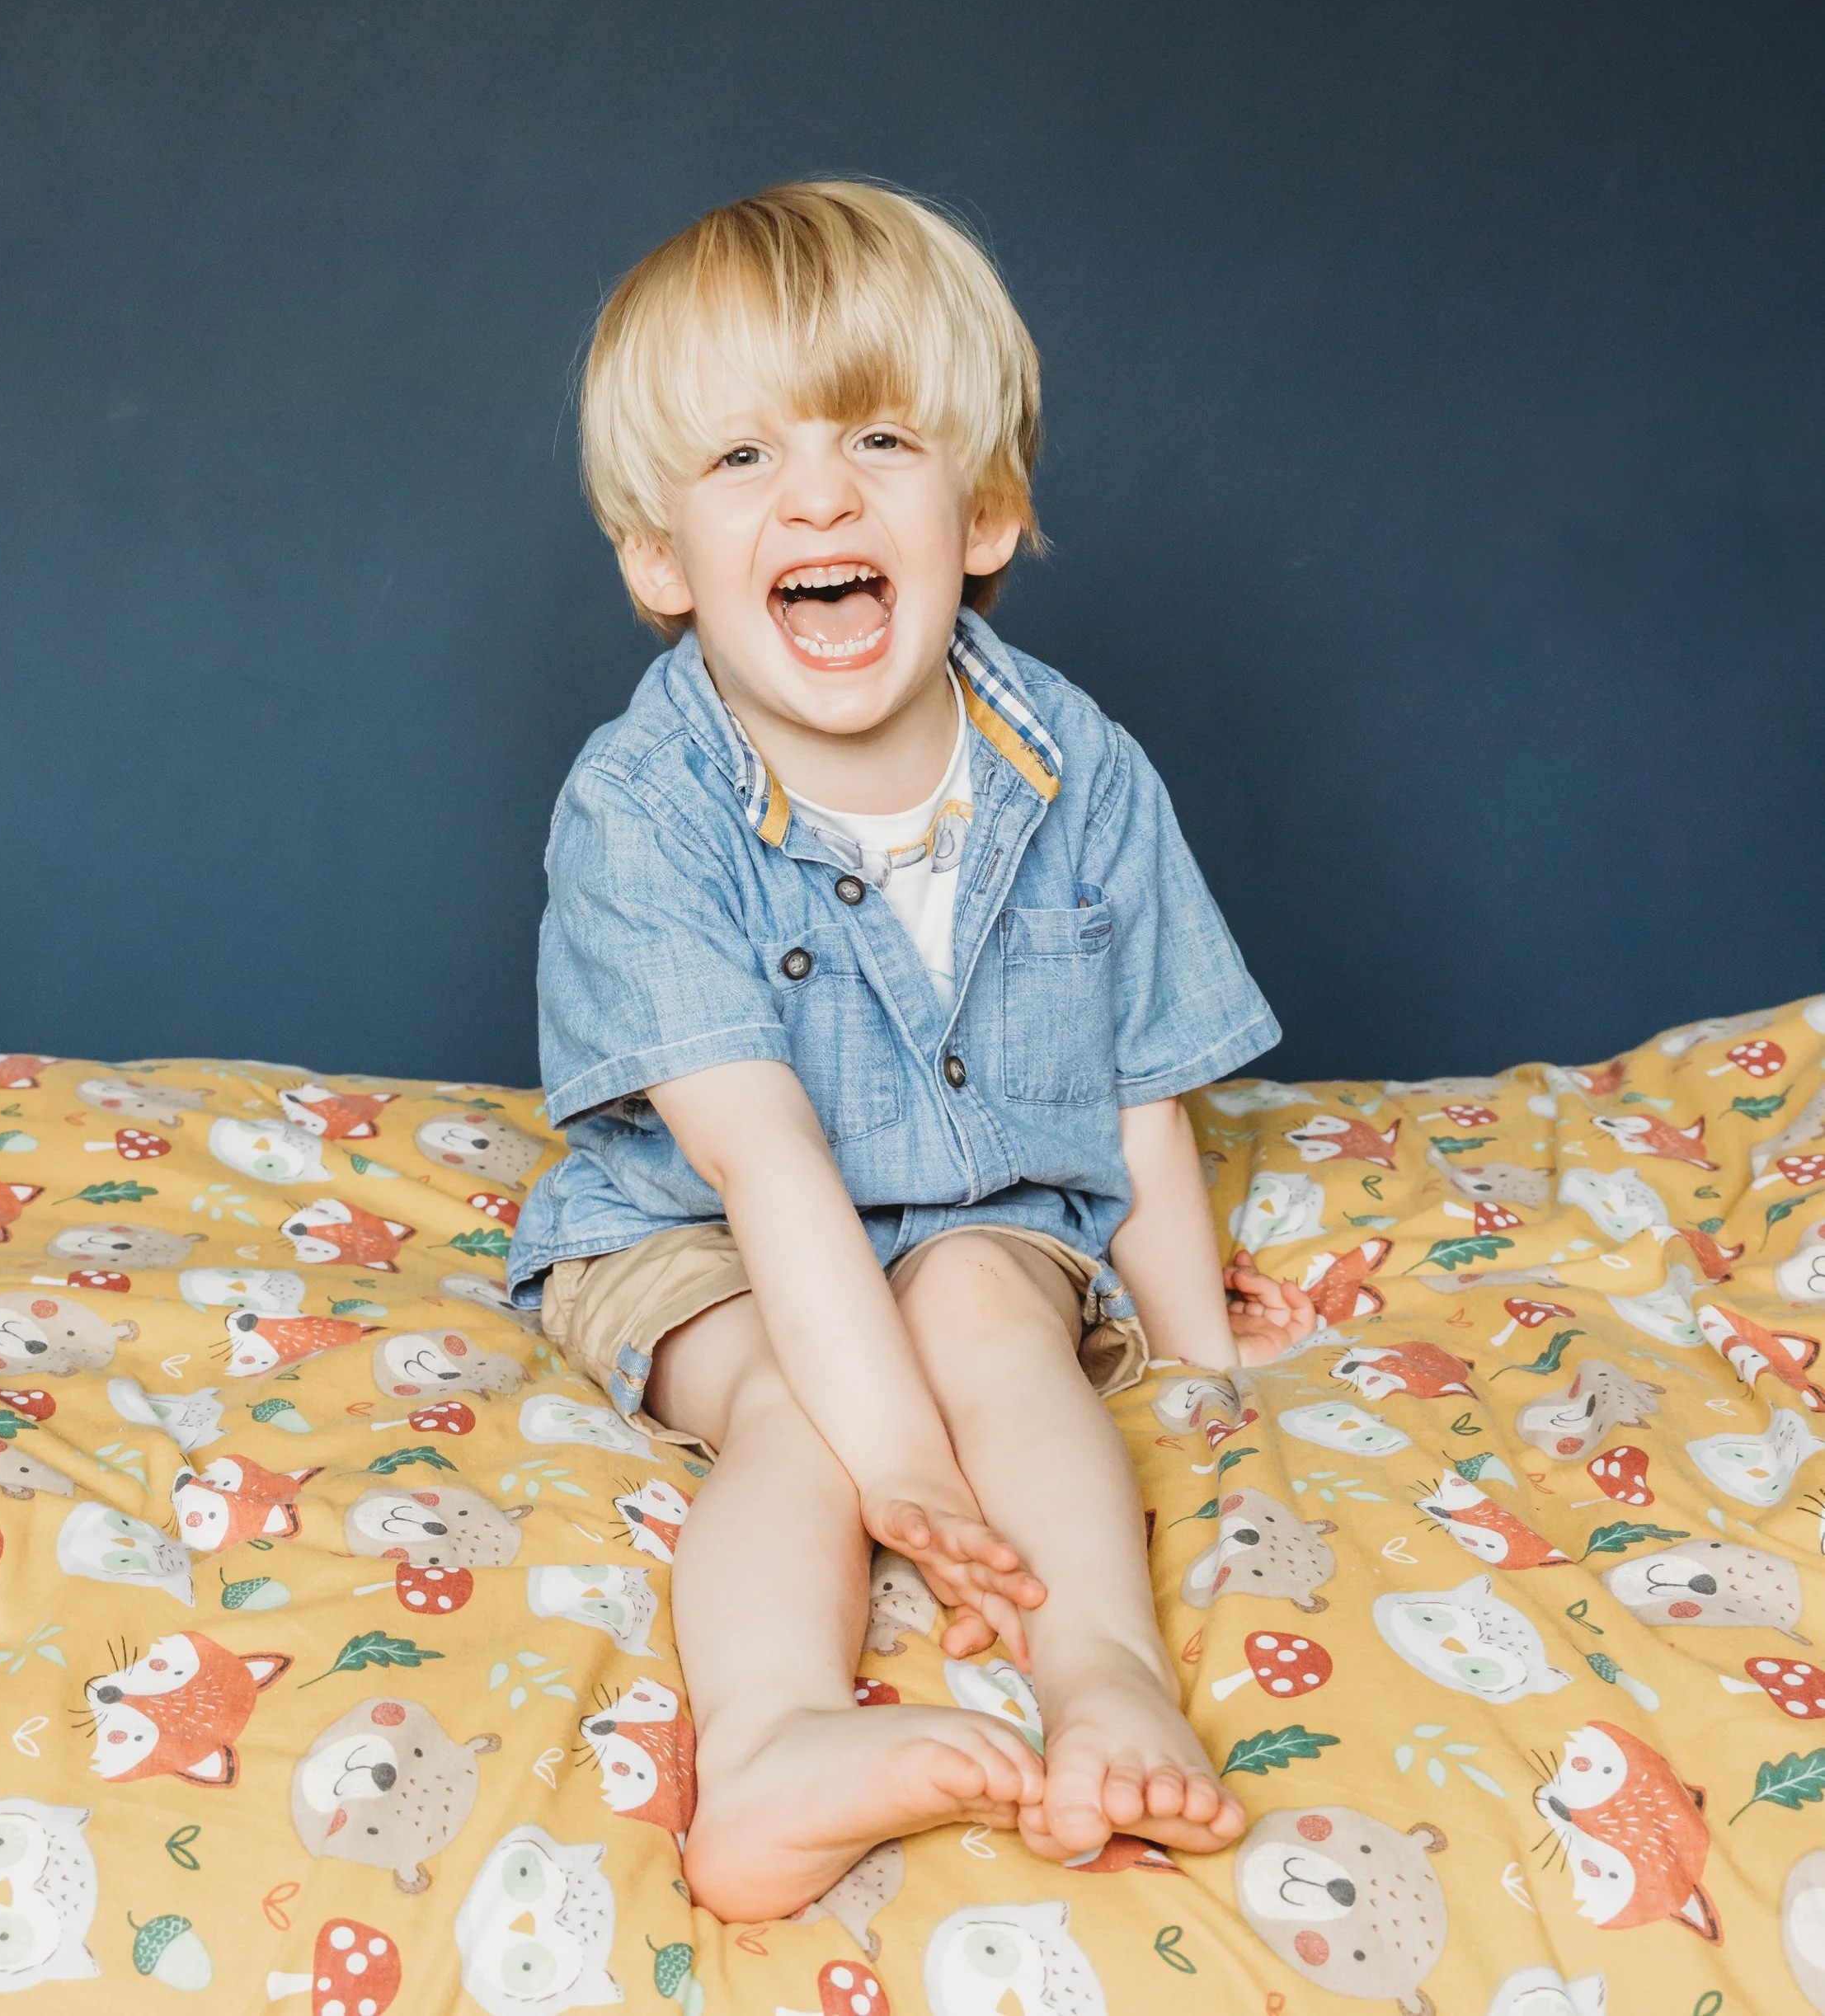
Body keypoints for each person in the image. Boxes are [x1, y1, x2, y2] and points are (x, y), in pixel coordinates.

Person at [506, 180, 1309, 1921]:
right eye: (738, 460)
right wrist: (902, 1474)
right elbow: (763, 1161)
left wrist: (1196, 1371)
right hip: (694, 1230)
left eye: (878, 434)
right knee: (796, 1402)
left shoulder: (1073, 766)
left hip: (969, 1203)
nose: (816, 490)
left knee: (992, 1309)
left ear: (985, 506)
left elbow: (1135, 1093)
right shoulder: (643, 804)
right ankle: (780, 1732)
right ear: (658, 558)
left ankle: (1104, 1671)